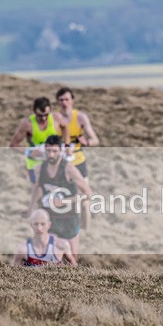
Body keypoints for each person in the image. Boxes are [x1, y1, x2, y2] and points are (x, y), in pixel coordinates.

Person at [28, 135, 92, 264]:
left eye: (54, 151)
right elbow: (37, 188)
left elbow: (88, 194)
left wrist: (65, 202)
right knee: (49, 258)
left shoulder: (69, 169)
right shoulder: (40, 168)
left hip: (69, 218)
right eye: (48, 151)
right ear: (44, 150)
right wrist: (31, 207)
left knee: (72, 259)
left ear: (61, 151)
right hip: (50, 219)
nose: (51, 155)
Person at [55, 87, 98, 229]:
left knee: (85, 201)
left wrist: (83, 143)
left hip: (78, 162)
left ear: (72, 100)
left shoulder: (80, 117)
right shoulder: (55, 119)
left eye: (67, 99)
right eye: (61, 100)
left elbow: (95, 140)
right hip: (61, 165)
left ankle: (86, 231)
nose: (64, 103)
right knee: (60, 200)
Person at [9, 97, 69, 183]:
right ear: (34, 111)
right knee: (38, 192)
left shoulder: (56, 118)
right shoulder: (27, 124)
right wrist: (29, 152)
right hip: (35, 165)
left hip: (54, 163)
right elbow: (13, 145)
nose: (44, 118)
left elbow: (65, 127)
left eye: (46, 115)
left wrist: (67, 145)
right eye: (40, 115)